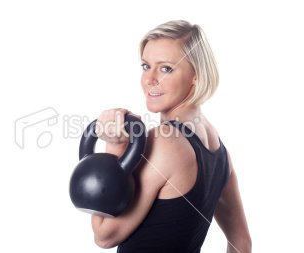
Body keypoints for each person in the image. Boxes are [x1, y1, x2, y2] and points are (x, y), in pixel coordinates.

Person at [91, 20, 251, 253]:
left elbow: (105, 235)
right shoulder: (218, 147)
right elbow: (242, 243)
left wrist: (114, 148)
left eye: (166, 68)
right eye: (146, 66)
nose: (149, 79)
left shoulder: (165, 141)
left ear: (196, 76)